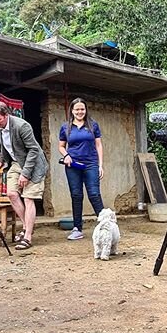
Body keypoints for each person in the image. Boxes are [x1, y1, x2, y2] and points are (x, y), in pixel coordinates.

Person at [0, 100, 48, 250]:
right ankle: (28, 225)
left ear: (6, 115)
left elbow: (34, 150)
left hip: (33, 164)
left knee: (28, 198)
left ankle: (27, 236)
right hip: (16, 162)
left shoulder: (22, 126)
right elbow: (5, 145)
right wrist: (2, 160)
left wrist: (26, 174)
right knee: (12, 194)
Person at [58, 98, 104, 240]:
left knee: (94, 194)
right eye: (77, 109)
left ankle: (106, 224)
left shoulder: (93, 125)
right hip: (73, 166)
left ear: (86, 110)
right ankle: (77, 228)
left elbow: (98, 145)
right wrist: (66, 155)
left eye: (82, 109)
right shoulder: (66, 127)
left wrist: (100, 165)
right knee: (76, 195)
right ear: (72, 110)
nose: (79, 112)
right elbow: (61, 146)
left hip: (91, 163)